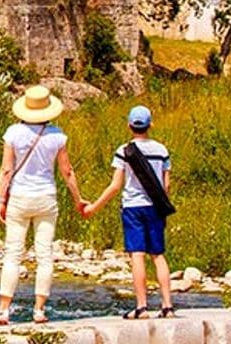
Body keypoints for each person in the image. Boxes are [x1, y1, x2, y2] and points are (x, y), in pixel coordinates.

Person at [0, 85, 86, 326]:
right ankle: (39, 310)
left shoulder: (12, 133)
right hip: (46, 197)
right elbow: (67, 171)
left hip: (19, 196)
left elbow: (6, 169)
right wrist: (78, 199)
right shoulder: (57, 136)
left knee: (12, 254)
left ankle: (3, 311)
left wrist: (1, 198)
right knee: (44, 255)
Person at [83, 104, 175, 319]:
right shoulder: (162, 150)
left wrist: (93, 207)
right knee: (158, 256)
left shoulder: (124, 151)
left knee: (137, 256)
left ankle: (142, 307)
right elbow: (166, 185)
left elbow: (115, 185)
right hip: (155, 207)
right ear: (151, 124)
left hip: (133, 207)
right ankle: (167, 306)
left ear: (129, 126)